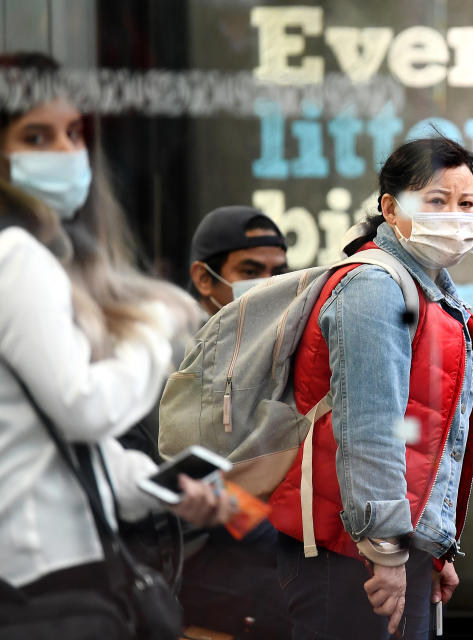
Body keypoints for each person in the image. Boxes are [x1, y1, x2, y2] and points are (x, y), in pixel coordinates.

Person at [0, 52, 230, 611]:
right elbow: (82, 408)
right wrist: (152, 327)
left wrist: (156, 487)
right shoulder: (12, 256)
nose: (66, 153)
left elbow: (48, 443)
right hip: (37, 583)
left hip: (16, 576)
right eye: (36, 135)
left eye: (74, 133)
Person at [266, 136, 473, 639]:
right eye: (436, 201)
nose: (455, 215)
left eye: (466, 203)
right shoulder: (374, 288)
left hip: (383, 547)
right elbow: (371, 429)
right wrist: (387, 551)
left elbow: (423, 435)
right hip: (349, 556)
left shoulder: (429, 291)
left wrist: (433, 545)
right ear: (390, 208)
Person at [175, 204, 292, 638]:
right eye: (250, 270)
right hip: (200, 546)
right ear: (204, 278)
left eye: (277, 271)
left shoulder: (270, 345)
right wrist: (268, 525)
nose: (268, 285)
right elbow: (172, 467)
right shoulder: (177, 357)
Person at [188, 205, 288, 315]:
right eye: (250, 272)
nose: (270, 286)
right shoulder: (175, 331)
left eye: (278, 273)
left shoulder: (288, 329)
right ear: (203, 278)